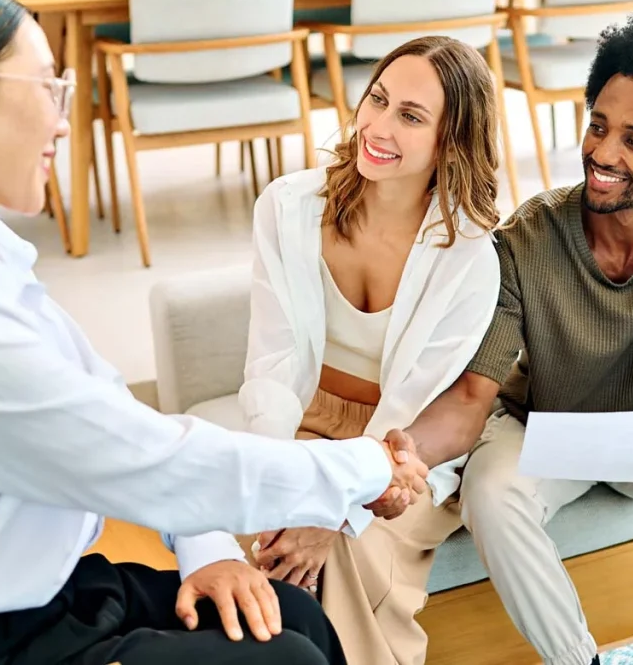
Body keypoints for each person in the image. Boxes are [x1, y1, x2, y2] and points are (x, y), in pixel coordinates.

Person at [0, 0, 429, 665]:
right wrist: (366, 467)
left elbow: (112, 407)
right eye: (48, 88)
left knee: (288, 614)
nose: (63, 119)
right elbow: (146, 462)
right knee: (284, 658)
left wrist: (208, 550)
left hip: (49, 590)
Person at [374, 13, 633, 665]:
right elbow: (474, 393)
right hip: (538, 425)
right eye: (599, 125)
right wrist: (392, 454)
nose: (603, 153)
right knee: (491, 491)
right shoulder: (529, 235)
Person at [212, 35, 503, 665]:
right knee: (264, 540)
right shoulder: (289, 207)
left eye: (411, 116)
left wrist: (332, 511)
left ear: (450, 142)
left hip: (400, 451)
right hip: (302, 419)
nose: (378, 125)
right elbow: (272, 365)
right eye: (378, 99)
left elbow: (410, 407)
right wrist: (277, 482)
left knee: (341, 550)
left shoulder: (469, 256)